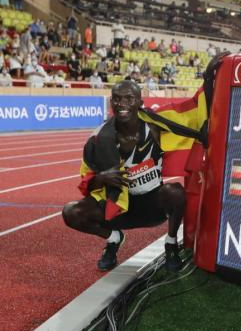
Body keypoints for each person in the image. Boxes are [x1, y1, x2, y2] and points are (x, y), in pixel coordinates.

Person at [62, 81, 185, 272]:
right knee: (71, 212)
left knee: (176, 192)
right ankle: (113, 238)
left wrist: (210, 78)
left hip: (151, 205)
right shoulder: (97, 140)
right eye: (117, 99)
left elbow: (191, 124)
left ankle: (171, 243)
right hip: (117, 208)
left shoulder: (154, 129)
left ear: (139, 102)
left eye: (129, 98)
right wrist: (101, 178)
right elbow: (87, 184)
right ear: (111, 102)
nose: (122, 103)